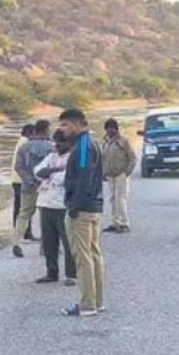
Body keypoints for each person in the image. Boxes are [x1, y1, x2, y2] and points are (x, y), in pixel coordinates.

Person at [59, 108, 105, 317]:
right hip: (93, 207)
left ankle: (87, 304)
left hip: (83, 209)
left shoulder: (84, 147)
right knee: (94, 255)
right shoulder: (91, 143)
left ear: (78, 124)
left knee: (83, 257)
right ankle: (97, 301)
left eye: (65, 125)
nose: (63, 129)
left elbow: (85, 178)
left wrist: (74, 206)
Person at [33, 129, 77, 286]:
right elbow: (37, 171)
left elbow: (65, 179)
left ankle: (72, 274)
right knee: (49, 242)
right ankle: (51, 272)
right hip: (45, 203)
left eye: (61, 141)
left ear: (70, 143)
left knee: (68, 242)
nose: (57, 145)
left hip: (62, 205)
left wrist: (49, 173)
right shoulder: (51, 156)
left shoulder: (73, 158)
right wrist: (55, 170)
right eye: (56, 141)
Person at [11, 120, 54, 257]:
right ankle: (45, 247)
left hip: (28, 186)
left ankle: (16, 242)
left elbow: (18, 166)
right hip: (46, 186)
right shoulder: (51, 147)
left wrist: (29, 180)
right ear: (46, 130)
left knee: (23, 214)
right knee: (45, 216)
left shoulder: (25, 146)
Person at [101, 118, 136, 233]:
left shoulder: (123, 141)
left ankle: (124, 223)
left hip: (121, 174)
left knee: (120, 199)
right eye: (108, 128)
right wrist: (103, 172)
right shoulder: (105, 142)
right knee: (112, 199)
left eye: (112, 128)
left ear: (116, 129)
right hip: (110, 175)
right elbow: (103, 158)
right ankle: (115, 222)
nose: (110, 131)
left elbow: (132, 157)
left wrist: (127, 172)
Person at [9, 124, 36, 241]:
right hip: (21, 180)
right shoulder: (25, 143)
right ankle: (22, 234)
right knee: (23, 207)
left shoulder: (22, 141)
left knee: (21, 207)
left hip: (17, 179)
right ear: (31, 133)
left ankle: (23, 233)